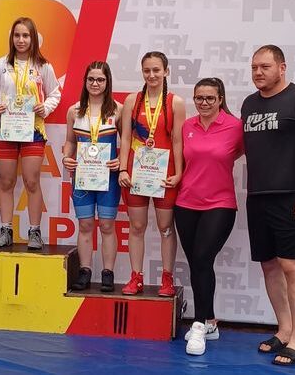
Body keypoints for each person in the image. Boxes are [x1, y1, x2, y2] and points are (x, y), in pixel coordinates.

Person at [242, 45, 295, 366]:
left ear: (282, 68)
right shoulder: (249, 104)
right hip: (258, 196)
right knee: (269, 265)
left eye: (265, 67)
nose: (258, 72)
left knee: (291, 266)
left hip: (291, 197)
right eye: (254, 67)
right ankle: (283, 330)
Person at [174, 78, 244, 356]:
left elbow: (245, 153)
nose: (204, 103)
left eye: (210, 98)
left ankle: (199, 324)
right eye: (199, 98)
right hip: (186, 203)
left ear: (220, 99)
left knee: (203, 258)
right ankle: (211, 322)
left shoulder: (235, 126)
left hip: (220, 204)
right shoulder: (187, 126)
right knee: (197, 264)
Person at [0, 17, 61, 249]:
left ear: (33, 38)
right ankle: (6, 230)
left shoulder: (43, 66)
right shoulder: (0, 65)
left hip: (33, 131)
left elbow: (55, 93)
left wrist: (45, 107)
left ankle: (35, 232)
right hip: (5, 130)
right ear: (12, 38)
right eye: (17, 35)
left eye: (26, 35)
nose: (21, 40)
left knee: (31, 181)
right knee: (6, 181)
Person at [118, 51, 185, 296]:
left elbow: (177, 141)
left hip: (164, 173)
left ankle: (167, 279)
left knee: (166, 227)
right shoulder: (132, 101)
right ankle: (136, 277)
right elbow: (126, 137)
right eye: (147, 70)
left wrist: (179, 173)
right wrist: (123, 168)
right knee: (137, 226)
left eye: (156, 70)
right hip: (136, 172)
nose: (152, 75)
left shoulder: (175, 102)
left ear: (166, 71)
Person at [62, 61, 122, 292]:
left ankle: (108, 273)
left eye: (100, 79)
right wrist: (66, 157)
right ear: (85, 82)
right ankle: (85, 271)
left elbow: (127, 141)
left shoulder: (117, 110)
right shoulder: (74, 111)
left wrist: (121, 161)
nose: (95, 83)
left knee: (107, 225)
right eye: (91, 79)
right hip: (83, 177)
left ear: (108, 82)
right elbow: (70, 141)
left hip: (109, 177)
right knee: (85, 224)